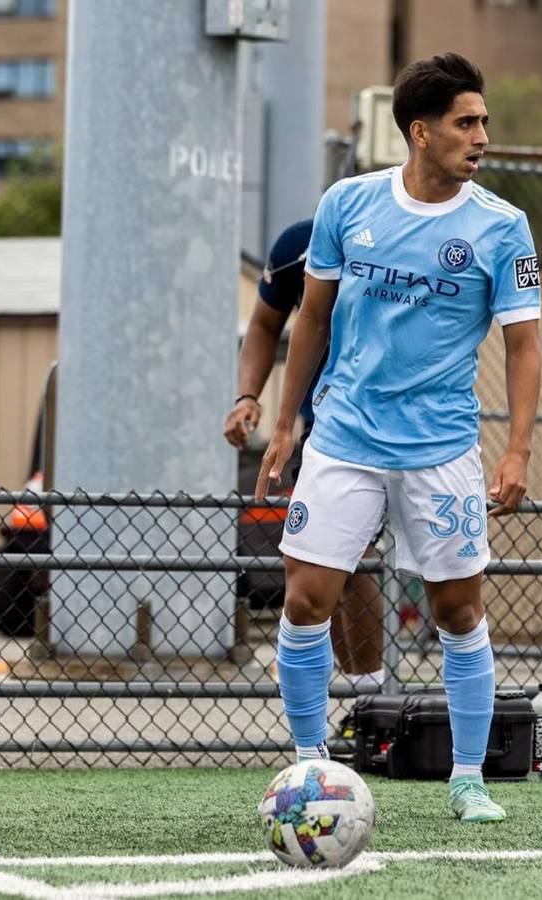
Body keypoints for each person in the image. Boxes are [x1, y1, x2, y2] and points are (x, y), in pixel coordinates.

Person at [255, 53, 541, 824]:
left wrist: (516, 449)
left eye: (482, 122)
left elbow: (523, 346)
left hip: (442, 449)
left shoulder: (501, 227)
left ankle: (469, 780)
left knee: (456, 612)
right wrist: (284, 422)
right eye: (465, 122)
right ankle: (312, 768)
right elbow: (308, 317)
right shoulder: (347, 204)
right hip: (344, 437)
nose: (481, 136)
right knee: (308, 597)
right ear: (421, 132)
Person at [223, 221, 385, 692]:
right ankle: (360, 698)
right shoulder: (298, 245)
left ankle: (372, 696)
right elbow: (265, 324)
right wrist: (247, 396)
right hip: (329, 428)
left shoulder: (408, 237)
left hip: (411, 425)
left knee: (374, 567)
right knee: (327, 561)